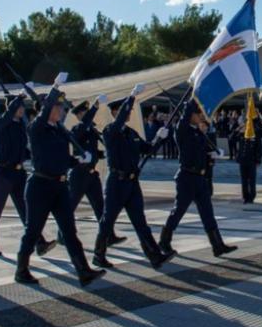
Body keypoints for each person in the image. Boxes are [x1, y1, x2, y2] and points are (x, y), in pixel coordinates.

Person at [13, 73, 103, 287]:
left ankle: (83, 271)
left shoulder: (59, 131)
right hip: (40, 186)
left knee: (69, 230)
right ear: (49, 108)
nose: (62, 112)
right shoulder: (36, 128)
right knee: (33, 231)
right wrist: (54, 87)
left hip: (60, 186)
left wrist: (79, 160)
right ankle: (21, 269)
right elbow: (43, 115)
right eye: (59, 107)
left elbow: (62, 159)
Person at [93, 84, 174, 270]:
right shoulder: (109, 131)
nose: (128, 113)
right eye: (123, 110)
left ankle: (155, 256)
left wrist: (161, 137)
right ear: (115, 112)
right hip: (116, 183)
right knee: (108, 221)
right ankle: (99, 254)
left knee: (140, 221)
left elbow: (147, 149)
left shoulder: (131, 134)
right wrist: (131, 97)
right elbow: (121, 118)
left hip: (131, 182)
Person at [159, 99, 237, 258]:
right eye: (197, 113)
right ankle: (164, 241)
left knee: (208, 213)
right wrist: (193, 99)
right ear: (190, 115)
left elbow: (202, 152)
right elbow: (186, 116)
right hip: (187, 177)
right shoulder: (182, 129)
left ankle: (217, 245)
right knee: (178, 211)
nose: (200, 116)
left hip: (200, 178)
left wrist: (213, 154)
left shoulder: (197, 132)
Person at [0, 93, 56, 258]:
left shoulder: (20, 126)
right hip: (3, 173)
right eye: (19, 107)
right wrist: (17, 98)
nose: (22, 110)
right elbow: (7, 116)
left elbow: (23, 150)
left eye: (22, 107)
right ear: (11, 108)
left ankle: (39, 243)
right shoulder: (0, 122)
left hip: (18, 173)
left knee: (27, 210)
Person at [66, 98, 126, 247]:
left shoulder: (91, 129)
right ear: (80, 115)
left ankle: (109, 235)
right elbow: (78, 140)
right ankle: (63, 234)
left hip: (92, 175)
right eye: (86, 113)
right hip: (79, 174)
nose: (88, 116)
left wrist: (101, 154)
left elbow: (93, 148)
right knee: (69, 207)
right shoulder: (76, 129)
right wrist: (94, 108)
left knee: (101, 208)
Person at [231, 122, 261, 203]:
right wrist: (237, 130)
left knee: (251, 180)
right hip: (242, 160)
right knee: (244, 180)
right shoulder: (241, 134)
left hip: (252, 160)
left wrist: (258, 160)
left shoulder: (254, 135)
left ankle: (252, 196)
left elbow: (259, 148)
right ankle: (245, 196)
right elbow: (231, 139)